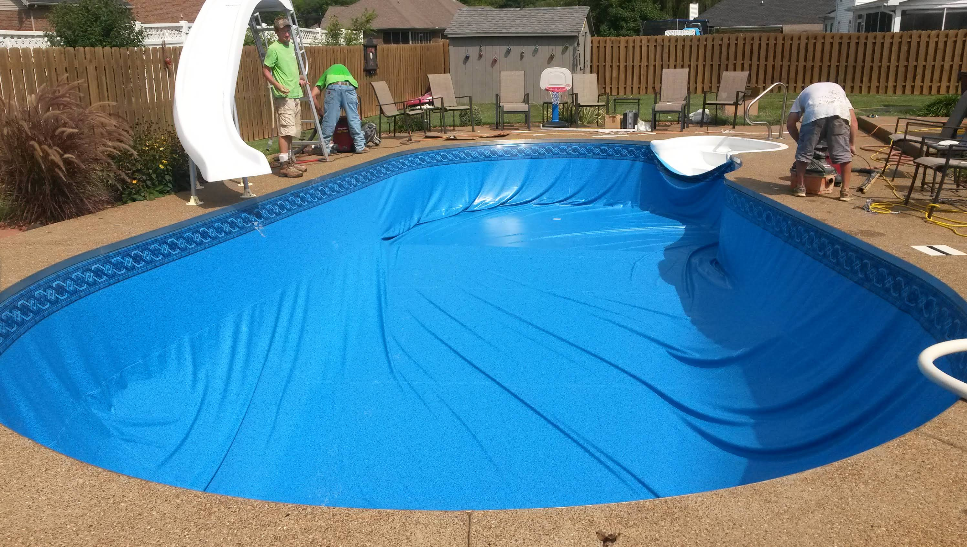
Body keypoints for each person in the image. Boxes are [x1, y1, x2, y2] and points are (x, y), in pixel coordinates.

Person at [785, 82, 858, 201]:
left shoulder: (803, 95)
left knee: (803, 155)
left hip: (814, 113)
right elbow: (854, 122)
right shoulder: (840, 93)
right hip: (839, 113)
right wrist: (851, 144)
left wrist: (801, 143)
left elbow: (790, 124)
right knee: (844, 155)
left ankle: (800, 187)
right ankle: (845, 191)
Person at [262, 17, 307, 178]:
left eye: (288, 30)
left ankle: (291, 161)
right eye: (283, 31)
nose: (287, 33)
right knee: (285, 131)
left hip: (295, 93)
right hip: (284, 95)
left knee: (291, 130)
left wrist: (300, 80)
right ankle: (284, 165)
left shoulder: (290, 46)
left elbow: (289, 70)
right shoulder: (274, 49)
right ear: (277, 32)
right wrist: (277, 85)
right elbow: (266, 70)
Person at [311, 63, 369, 154]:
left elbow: (312, 95)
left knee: (330, 120)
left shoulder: (326, 74)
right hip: (349, 87)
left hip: (333, 88)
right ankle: (360, 146)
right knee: (354, 118)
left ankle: (325, 148)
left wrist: (320, 112)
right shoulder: (346, 72)